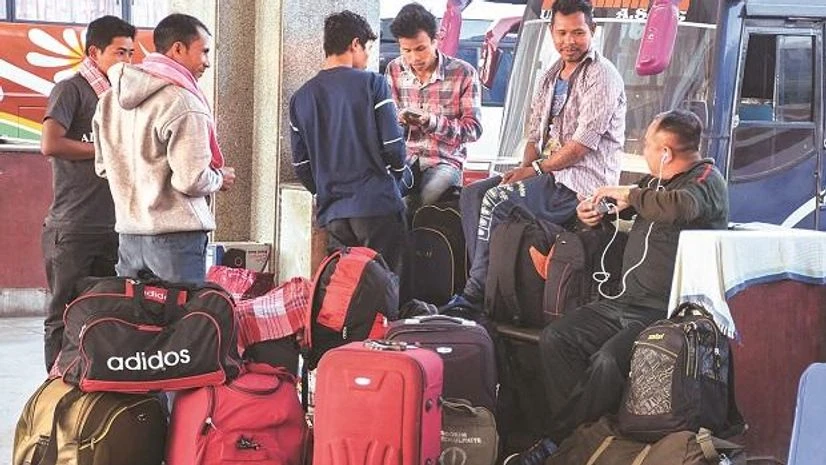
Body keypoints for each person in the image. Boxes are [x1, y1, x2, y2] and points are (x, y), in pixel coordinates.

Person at [504, 109, 730, 465]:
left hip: (665, 311)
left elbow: (680, 208)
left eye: (649, 146)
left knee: (608, 361)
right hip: (625, 300)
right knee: (556, 338)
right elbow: (629, 209)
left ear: (667, 152)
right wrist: (596, 212)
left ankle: (559, 440)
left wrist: (627, 193)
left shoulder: (705, 179)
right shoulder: (654, 184)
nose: (644, 152)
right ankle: (587, 434)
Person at [448, 0, 626, 311]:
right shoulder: (550, 75)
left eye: (578, 33)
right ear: (550, 32)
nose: (568, 41)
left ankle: (475, 293)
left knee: (496, 200)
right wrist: (521, 170)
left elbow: (582, 143)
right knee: (473, 194)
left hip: (576, 185)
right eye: (561, 33)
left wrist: (534, 171)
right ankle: (487, 282)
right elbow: (534, 135)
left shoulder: (603, 74)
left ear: (592, 31)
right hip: (547, 176)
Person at [94, 13, 235, 285]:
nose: (207, 62)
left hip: (129, 235)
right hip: (176, 238)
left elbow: (103, 167)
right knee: (184, 323)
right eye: (203, 51)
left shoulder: (109, 100)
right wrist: (219, 178)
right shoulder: (183, 100)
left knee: (137, 323)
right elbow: (191, 179)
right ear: (178, 49)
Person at [40, 15, 136, 372]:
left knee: (106, 312)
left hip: (116, 226)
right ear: (94, 52)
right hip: (74, 227)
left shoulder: (122, 99)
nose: (127, 61)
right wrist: (107, 151)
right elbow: (50, 144)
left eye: (131, 53)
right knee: (62, 314)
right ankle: (54, 393)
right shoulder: (72, 90)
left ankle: (94, 391)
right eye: (119, 52)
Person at [289, 11, 407, 282]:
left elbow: (301, 165)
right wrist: (397, 177)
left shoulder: (301, 97)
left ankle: (350, 328)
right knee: (384, 286)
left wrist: (325, 190)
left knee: (346, 291)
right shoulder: (373, 84)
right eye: (366, 49)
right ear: (355, 44)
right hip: (377, 205)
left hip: (334, 214)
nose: (366, 58)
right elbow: (393, 145)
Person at [385, 2, 482, 213]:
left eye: (421, 48)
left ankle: (425, 245)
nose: (414, 58)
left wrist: (432, 122)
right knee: (390, 203)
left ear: (436, 40)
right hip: (405, 159)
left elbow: (473, 130)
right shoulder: (394, 69)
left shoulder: (463, 73)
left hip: (445, 160)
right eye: (406, 50)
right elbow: (387, 124)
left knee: (429, 199)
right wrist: (399, 120)